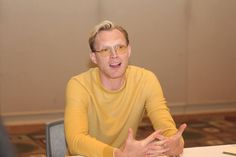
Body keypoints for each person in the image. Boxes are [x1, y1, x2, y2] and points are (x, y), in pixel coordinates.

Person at [64, 20, 187, 157]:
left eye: (120, 47)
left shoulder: (146, 79)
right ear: (94, 57)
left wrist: (175, 142)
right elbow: (75, 141)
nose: (114, 55)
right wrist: (116, 154)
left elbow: (165, 125)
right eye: (105, 50)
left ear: (128, 50)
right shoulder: (78, 85)